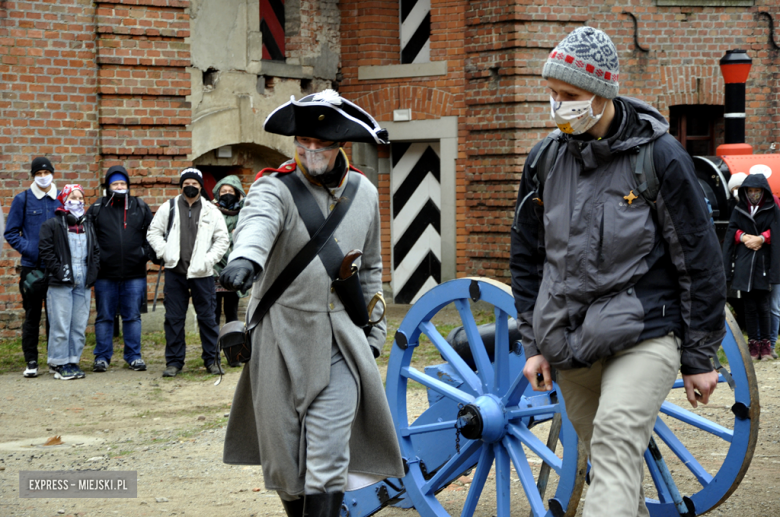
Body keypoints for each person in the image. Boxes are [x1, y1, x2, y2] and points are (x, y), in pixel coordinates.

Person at [510, 27, 725, 517]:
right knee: (611, 467)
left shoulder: (661, 157)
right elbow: (526, 257)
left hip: (644, 332)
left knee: (611, 445)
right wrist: (534, 344)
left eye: (569, 96)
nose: (558, 106)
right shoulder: (544, 159)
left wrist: (699, 356)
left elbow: (700, 258)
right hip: (570, 344)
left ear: (602, 93)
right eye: (553, 94)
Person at [219, 89, 404, 516]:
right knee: (284, 462)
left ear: (341, 145)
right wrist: (245, 259)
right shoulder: (275, 187)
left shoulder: (363, 191)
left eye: (320, 145)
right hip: (279, 337)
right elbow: (258, 222)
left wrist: (374, 332)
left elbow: (372, 267)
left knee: (328, 459)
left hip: (340, 338)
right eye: (303, 143)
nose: (310, 152)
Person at [146, 168, 229, 377]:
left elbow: (222, 239)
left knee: (208, 319)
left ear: (201, 186)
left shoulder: (211, 210)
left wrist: (208, 260)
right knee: (173, 318)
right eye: (186, 183)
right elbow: (153, 232)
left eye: (194, 183)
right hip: (175, 272)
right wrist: (165, 253)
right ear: (181, 186)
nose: (190, 186)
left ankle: (212, 360)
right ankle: (174, 362)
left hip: (202, 274)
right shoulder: (169, 207)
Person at [87, 165, 154, 373]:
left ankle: (133, 356)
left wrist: (143, 254)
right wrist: (98, 261)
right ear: (108, 186)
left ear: (128, 185)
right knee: (104, 316)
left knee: (132, 317)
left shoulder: (139, 207)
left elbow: (152, 235)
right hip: (105, 275)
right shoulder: (97, 208)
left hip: (134, 274)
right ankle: (102, 357)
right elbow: (90, 238)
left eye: (122, 183)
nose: (119, 187)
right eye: (115, 184)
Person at [4, 156, 60, 378]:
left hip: (55, 268)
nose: (43, 177)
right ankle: (31, 361)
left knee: (56, 317)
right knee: (32, 316)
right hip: (32, 269)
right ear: (33, 176)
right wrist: (31, 249)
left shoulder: (61, 200)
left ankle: (55, 360)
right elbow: (11, 232)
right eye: (39, 174)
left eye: (46, 173)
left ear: (52, 174)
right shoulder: (23, 200)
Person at [38, 184, 100, 380]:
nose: (79, 201)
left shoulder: (87, 225)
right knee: (61, 323)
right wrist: (59, 270)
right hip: (61, 280)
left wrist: (93, 273)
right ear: (64, 199)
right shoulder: (52, 225)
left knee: (79, 324)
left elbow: (96, 252)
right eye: (73, 197)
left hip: (83, 279)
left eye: (81, 197)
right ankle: (59, 362)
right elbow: (46, 251)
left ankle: (73, 360)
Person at [722, 173, 780, 361]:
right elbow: (731, 233)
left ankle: (766, 346)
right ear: (745, 192)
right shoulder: (739, 209)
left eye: (757, 191)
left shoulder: (771, 208)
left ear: (763, 192)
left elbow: (777, 232)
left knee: (763, 305)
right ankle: (753, 344)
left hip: (763, 263)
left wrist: (761, 238)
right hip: (744, 264)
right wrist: (743, 236)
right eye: (751, 191)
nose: (754, 194)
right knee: (749, 307)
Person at [211, 175, 247, 335]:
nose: (227, 193)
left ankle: (233, 347)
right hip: (215, 269)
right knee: (214, 312)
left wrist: (231, 236)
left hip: (234, 269)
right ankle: (213, 349)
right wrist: (231, 236)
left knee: (232, 313)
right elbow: (211, 237)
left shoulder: (244, 213)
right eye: (223, 191)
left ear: (237, 192)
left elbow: (246, 234)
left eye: (230, 190)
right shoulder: (211, 212)